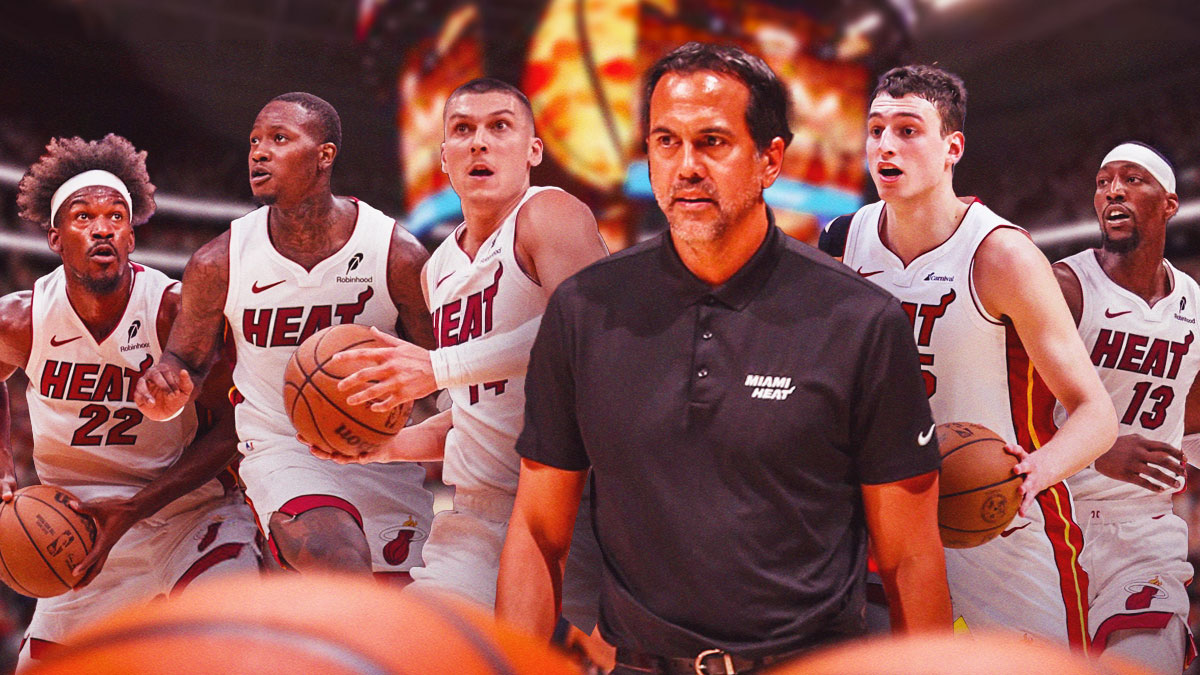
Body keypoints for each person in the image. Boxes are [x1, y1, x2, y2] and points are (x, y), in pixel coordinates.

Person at [496, 42, 950, 674]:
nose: (685, 167)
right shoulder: (584, 311)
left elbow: (909, 557)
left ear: (770, 160)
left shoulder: (860, 320)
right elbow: (539, 532)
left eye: (712, 142)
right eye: (665, 142)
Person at [819, 65, 1118, 647]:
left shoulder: (1001, 255)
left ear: (953, 146)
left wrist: (1034, 475)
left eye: (908, 130)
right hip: (885, 516)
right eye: (876, 129)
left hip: (993, 521)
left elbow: (1095, 414)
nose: (886, 144)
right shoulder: (842, 241)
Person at [311, 78, 608, 640]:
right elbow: (474, 415)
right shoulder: (436, 271)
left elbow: (587, 330)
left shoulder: (550, 213)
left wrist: (438, 367)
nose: (480, 143)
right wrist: (383, 447)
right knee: (415, 649)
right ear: (443, 156)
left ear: (533, 150)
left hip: (579, 506)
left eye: (500, 127)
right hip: (477, 515)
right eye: (462, 130)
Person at [134, 93, 434, 576]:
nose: (258, 151)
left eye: (279, 138)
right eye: (254, 140)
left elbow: (436, 364)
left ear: (324, 155)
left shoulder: (395, 253)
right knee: (338, 561)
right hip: (281, 447)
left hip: (378, 449)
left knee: (395, 624)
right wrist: (163, 383)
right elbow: (183, 360)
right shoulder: (218, 262)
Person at [0, 134, 260, 668]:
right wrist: (3, 466)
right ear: (55, 238)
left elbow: (237, 423)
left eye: (117, 216)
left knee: (230, 647)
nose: (102, 227)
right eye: (83, 216)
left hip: (188, 515)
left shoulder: (174, 315)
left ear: (131, 237)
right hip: (81, 529)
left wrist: (138, 508)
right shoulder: (21, 319)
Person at [1054, 142, 1199, 672]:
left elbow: (1195, 420)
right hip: (1053, 521)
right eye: (1103, 180)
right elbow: (1006, 412)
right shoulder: (1062, 289)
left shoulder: (1195, 306)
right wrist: (1096, 449)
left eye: (1132, 179)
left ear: (1168, 204)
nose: (1113, 189)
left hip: (1146, 528)